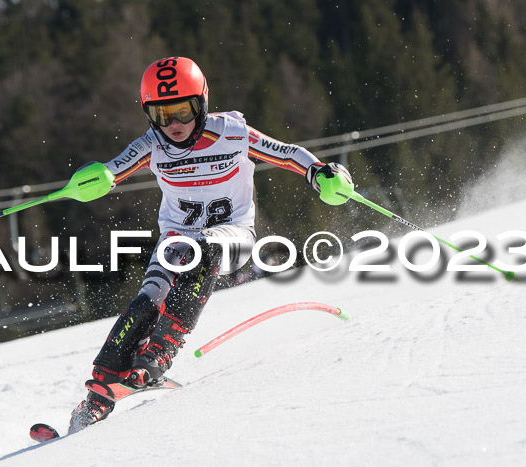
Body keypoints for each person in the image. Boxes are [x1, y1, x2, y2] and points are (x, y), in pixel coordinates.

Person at [68, 56, 353, 432]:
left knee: (203, 250)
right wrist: (95, 179)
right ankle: (97, 395)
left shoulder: (233, 133)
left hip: (232, 238)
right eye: (162, 114)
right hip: (175, 241)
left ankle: (158, 354)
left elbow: (286, 153)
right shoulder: (152, 144)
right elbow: (113, 169)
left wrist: (320, 172)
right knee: (149, 296)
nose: (174, 125)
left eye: (183, 112)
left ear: (201, 103)